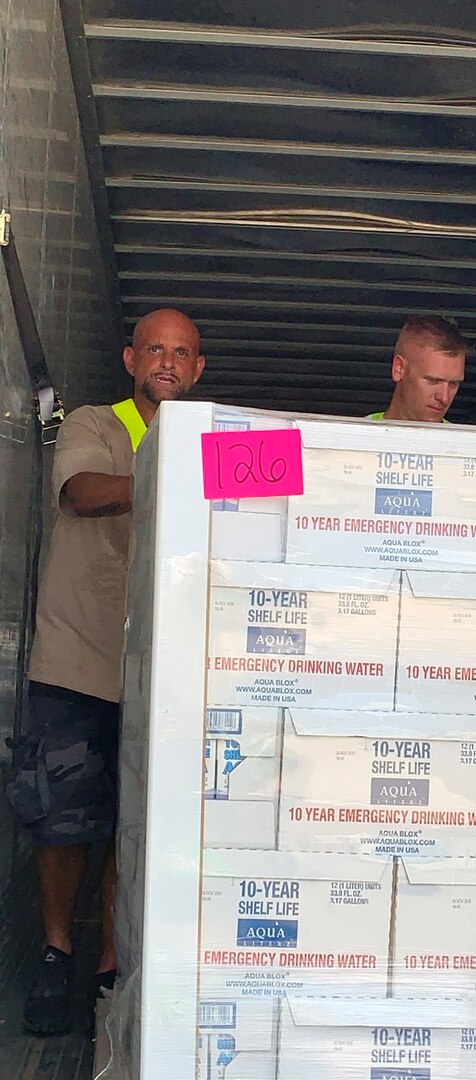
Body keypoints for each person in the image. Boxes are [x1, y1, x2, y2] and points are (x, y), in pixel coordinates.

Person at [8, 308, 205, 1036]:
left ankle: (110, 963)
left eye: (181, 353)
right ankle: (57, 950)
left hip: (166, 673)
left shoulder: (210, 440)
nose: (167, 362)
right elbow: (81, 492)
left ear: (198, 369)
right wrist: (172, 478)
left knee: (136, 822)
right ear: (131, 359)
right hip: (78, 664)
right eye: (155, 349)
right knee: (64, 821)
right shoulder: (97, 423)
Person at [369, 315, 467, 423]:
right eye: (433, 381)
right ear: (399, 368)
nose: (444, 398)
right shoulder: (358, 432)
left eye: (453, 384)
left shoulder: (463, 435)